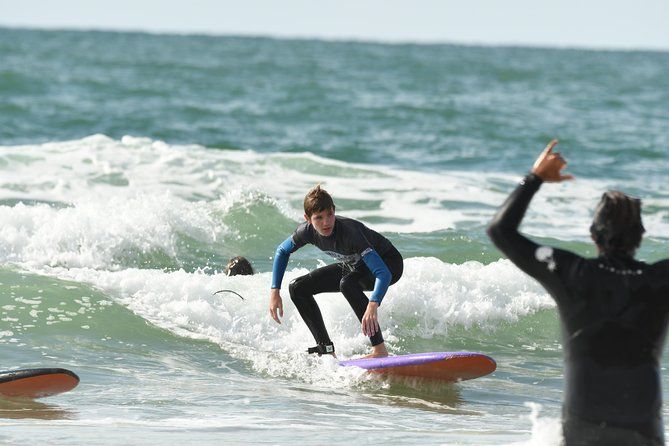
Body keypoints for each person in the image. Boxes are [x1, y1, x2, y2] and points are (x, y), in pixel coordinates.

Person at [487, 139, 669, 446]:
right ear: (640, 236)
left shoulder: (570, 271)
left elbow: (500, 230)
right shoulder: (661, 278)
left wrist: (534, 178)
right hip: (643, 430)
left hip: (583, 428)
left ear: (593, 235)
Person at [268, 184, 403, 357]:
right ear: (308, 219)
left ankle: (379, 349)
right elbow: (282, 250)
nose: (326, 222)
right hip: (357, 265)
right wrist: (274, 291)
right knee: (298, 288)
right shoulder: (306, 232)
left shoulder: (350, 233)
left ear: (334, 210)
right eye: (318, 218)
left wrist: (373, 303)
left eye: (330, 215)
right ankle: (326, 350)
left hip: (389, 264)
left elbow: (383, 273)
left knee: (347, 283)